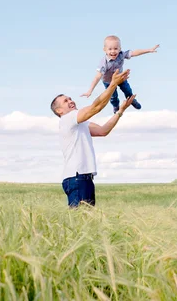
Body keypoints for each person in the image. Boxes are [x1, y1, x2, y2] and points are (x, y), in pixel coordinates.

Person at [51, 68, 135, 207]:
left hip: (84, 177)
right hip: (76, 177)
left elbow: (103, 130)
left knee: (87, 222)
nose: (71, 101)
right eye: (66, 101)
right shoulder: (67, 118)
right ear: (59, 111)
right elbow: (95, 107)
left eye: (70, 98)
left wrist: (120, 111)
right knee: (80, 222)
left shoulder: (80, 123)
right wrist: (113, 84)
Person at [80, 35, 159, 113]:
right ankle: (116, 106)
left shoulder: (121, 54)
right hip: (109, 82)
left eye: (116, 48)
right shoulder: (103, 63)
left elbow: (134, 52)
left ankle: (131, 100)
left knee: (127, 89)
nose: (113, 51)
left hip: (120, 78)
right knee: (113, 97)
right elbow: (97, 77)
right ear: (104, 50)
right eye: (110, 49)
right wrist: (90, 90)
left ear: (120, 49)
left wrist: (148, 50)